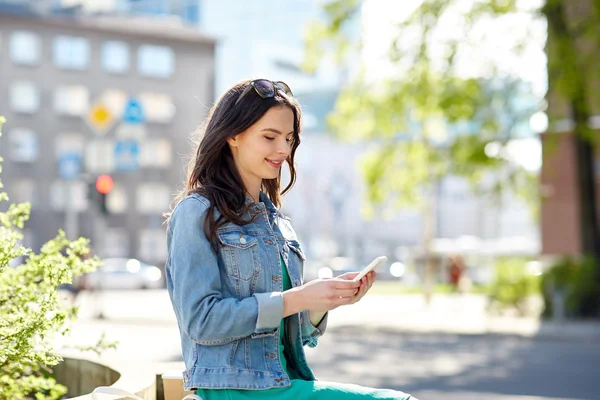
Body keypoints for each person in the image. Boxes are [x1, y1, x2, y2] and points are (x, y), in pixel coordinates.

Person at [165, 79, 417, 400]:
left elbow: (286, 331)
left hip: (283, 381)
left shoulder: (277, 221)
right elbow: (200, 320)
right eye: (269, 137)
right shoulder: (196, 213)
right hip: (235, 388)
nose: (283, 150)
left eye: (288, 138)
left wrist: (321, 302)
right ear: (233, 135)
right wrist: (297, 298)